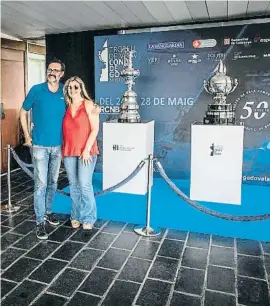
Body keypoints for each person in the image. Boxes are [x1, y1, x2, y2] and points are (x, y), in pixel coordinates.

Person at [20, 59, 66, 239]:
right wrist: (27, 135)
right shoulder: (36, 90)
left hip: (58, 146)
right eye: (50, 69)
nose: (52, 72)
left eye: (56, 70)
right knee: (41, 185)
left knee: (53, 182)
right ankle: (40, 222)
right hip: (39, 145)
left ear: (62, 73)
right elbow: (23, 112)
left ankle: (48, 211)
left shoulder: (65, 90)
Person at [62, 76, 100, 230]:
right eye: (70, 87)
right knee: (74, 185)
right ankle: (75, 215)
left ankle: (89, 218)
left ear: (81, 88)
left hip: (87, 151)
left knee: (85, 185)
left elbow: (95, 129)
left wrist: (86, 150)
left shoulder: (89, 104)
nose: (72, 90)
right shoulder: (66, 105)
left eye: (75, 87)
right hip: (69, 151)